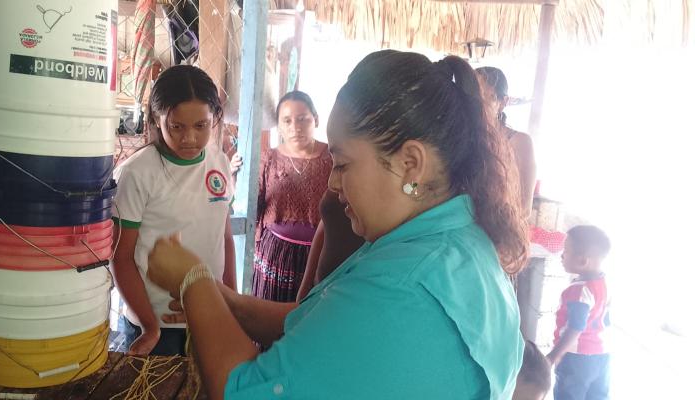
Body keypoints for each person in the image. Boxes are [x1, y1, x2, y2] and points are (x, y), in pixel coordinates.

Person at [145, 50, 528, 399]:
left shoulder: (403, 285)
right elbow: (317, 324)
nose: (332, 182)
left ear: (410, 163)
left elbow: (245, 391)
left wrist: (194, 281)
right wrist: (227, 303)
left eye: (342, 164)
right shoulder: (458, 244)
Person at [110, 65, 235, 356]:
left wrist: (231, 303)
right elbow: (122, 256)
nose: (189, 138)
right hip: (156, 325)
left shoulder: (219, 163)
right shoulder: (137, 173)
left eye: (201, 126)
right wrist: (149, 326)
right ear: (156, 118)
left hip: (209, 315)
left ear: (214, 119)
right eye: (176, 127)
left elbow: (224, 238)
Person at [252, 91, 332, 302]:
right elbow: (254, 204)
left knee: (309, 318)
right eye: (287, 121)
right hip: (276, 256)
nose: (295, 127)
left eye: (302, 119)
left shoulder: (333, 159)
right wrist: (235, 178)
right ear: (279, 126)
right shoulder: (268, 159)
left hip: (320, 256)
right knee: (268, 319)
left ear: (315, 119)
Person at [547, 225, 612, 400]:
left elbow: (575, 327)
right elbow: (607, 320)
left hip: (577, 359)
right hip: (602, 355)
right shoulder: (604, 283)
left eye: (565, 251)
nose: (562, 255)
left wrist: (552, 357)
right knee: (597, 396)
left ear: (582, 260)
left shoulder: (578, 291)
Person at [476, 66, 537, 216]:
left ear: (503, 102)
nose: (476, 105)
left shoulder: (519, 142)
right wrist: (410, 188)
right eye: (472, 97)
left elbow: (524, 208)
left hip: (497, 233)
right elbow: (417, 185)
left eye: (485, 98)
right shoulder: (461, 137)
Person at [296, 190, 365, 300]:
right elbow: (322, 230)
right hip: (320, 286)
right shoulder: (338, 179)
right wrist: (305, 285)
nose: (333, 181)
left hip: (352, 291)